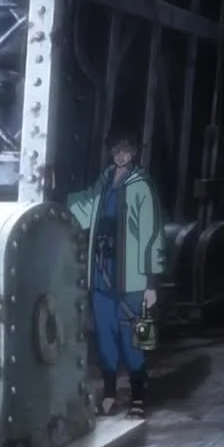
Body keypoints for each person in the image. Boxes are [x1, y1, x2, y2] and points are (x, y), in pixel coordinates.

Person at [66, 129, 164, 419]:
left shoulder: (142, 187)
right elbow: (84, 209)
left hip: (131, 277)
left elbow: (152, 234)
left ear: (134, 153)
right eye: (116, 150)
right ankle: (109, 395)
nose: (121, 155)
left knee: (132, 338)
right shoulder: (105, 181)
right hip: (101, 273)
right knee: (105, 339)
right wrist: (58, 191)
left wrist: (151, 283)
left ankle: (137, 398)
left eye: (126, 150)